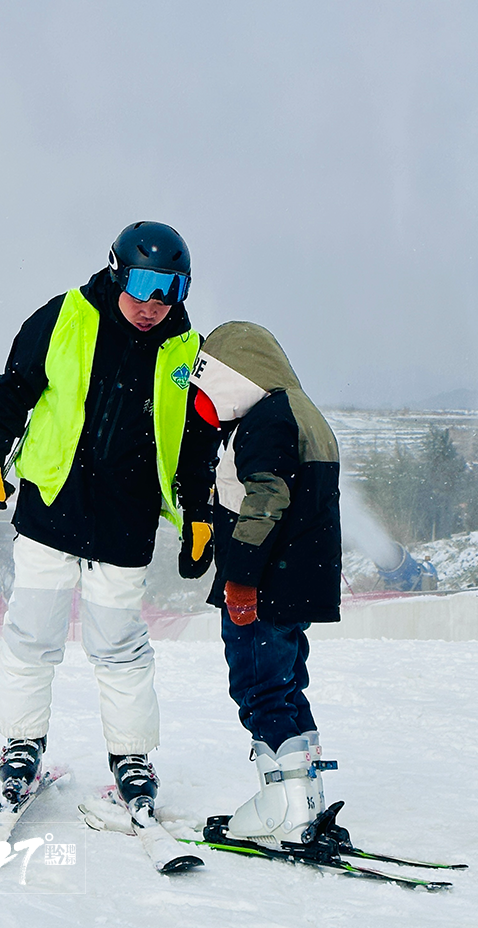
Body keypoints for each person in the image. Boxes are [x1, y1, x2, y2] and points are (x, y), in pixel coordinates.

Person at [0, 221, 215, 810]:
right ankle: (20, 748)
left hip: (125, 520)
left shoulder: (188, 351)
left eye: (171, 289)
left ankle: (132, 758)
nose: (153, 304)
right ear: (116, 270)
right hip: (51, 506)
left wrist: (199, 516)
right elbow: (12, 392)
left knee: (119, 646)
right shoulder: (64, 317)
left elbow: (194, 445)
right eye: (143, 283)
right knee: (32, 636)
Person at [183, 321, 342, 845]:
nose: (201, 398)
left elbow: (267, 498)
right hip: (297, 584)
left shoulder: (266, 421)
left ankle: (285, 810)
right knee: (286, 686)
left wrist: (242, 580)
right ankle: (307, 801)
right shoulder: (299, 411)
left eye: (206, 385)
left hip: (266, 587)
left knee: (257, 687)